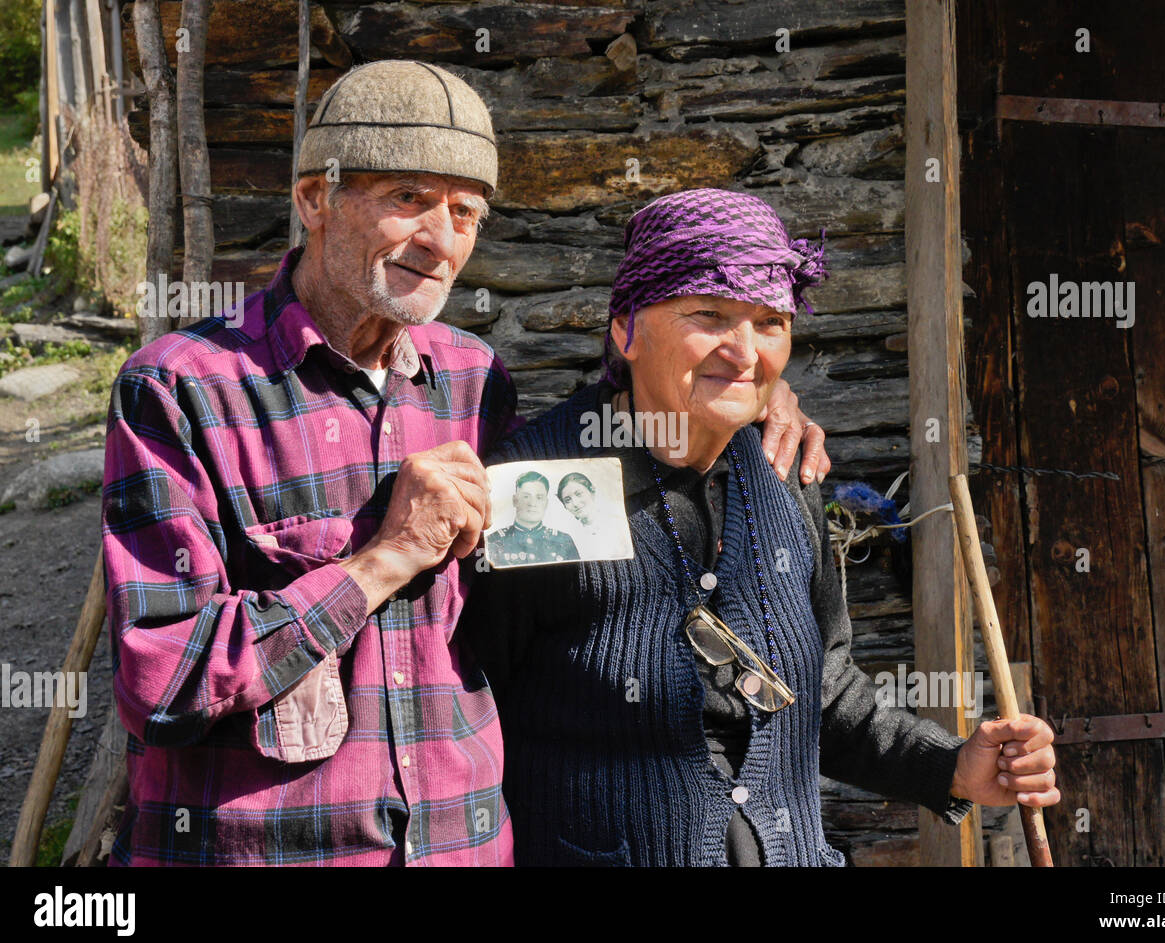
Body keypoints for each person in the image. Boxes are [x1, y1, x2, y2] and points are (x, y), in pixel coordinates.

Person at [101, 62, 828, 866]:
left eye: (465, 212)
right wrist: (383, 561)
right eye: (409, 199)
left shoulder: (473, 381)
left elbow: (629, 391)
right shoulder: (183, 389)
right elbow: (160, 683)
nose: (441, 240)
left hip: (464, 846)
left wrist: (750, 388)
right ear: (315, 199)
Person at [460, 188, 1059, 866]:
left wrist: (951, 767)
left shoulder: (783, 473)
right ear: (626, 329)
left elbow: (821, 691)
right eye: (709, 315)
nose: (744, 352)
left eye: (770, 322)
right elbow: (466, 710)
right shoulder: (530, 488)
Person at [486, 471, 580, 566]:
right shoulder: (493, 541)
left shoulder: (563, 541)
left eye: (539, 497)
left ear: (546, 503)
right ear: (515, 501)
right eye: (526, 496)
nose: (532, 504)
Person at [556, 472, 626, 561]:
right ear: (565, 506)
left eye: (579, 494)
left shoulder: (617, 521)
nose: (575, 503)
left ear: (592, 491)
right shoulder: (572, 538)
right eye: (567, 500)